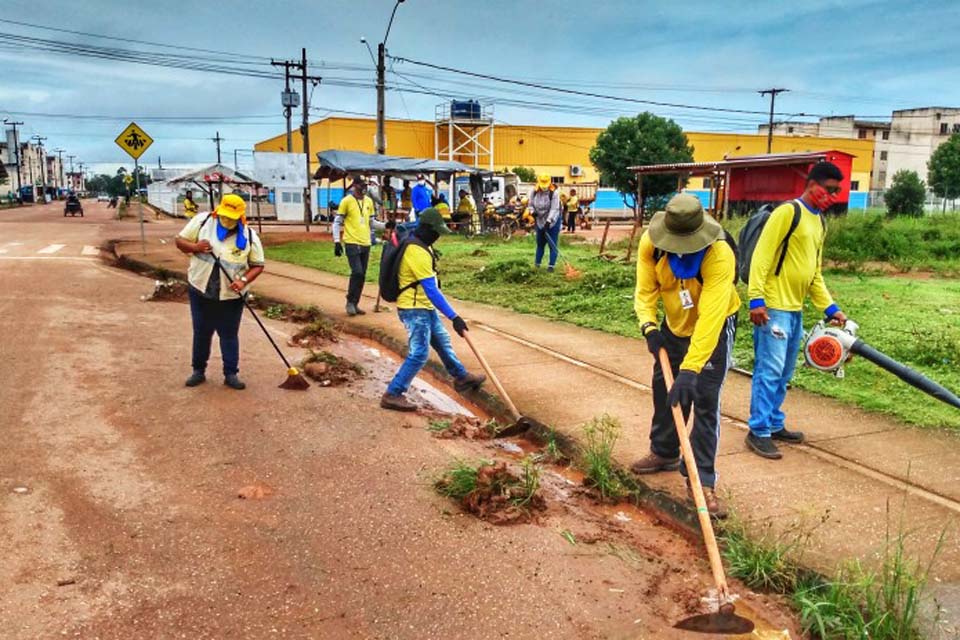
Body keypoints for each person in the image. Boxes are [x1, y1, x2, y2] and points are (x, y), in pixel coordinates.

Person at [630, 194, 740, 517]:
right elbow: (645, 291)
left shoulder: (719, 254)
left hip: (714, 327)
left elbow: (710, 317)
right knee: (664, 388)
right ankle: (663, 451)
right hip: (672, 324)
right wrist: (649, 327)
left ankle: (701, 479)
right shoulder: (652, 244)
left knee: (704, 399)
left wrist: (691, 369)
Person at [746, 162, 849, 460]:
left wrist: (831, 307)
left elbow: (814, 273)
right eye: (828, 189)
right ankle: (758, 431)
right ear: (812, 184)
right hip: (773, 308)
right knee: (770, 370)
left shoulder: (820, 223)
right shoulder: (787, 213)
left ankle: (774, 423)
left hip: (795, 309)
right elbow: (762, 257)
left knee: (786, 371)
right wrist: (756, 299)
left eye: (837, 191)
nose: (831, 196)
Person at [381, 208, 486, 411]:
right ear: (426, 228)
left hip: (424, 307)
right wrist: (454, 317)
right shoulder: (416, 251)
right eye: (436, 231)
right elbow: (431, 290)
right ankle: (393, 393)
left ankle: (461, 377)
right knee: (419, 353)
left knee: (442, 342)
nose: (438, 236)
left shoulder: (423, 243)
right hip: (413, 309)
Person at [174, 193, 265, 390]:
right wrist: (195, 247)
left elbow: (257, 265)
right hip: (200, 289)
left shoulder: (249, 236)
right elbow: (179, 241)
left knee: (229, 334)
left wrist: (242, 281)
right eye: (224, 216)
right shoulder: (203, 222)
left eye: (232, 218)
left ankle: (231, 374)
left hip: (231, 296)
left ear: (240, 217)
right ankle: (198, 370)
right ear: (218, 211)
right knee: (201, 332)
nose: (227, 221)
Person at [333, 178, 385, 316]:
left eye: (365, 186)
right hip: (351, 242)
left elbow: (372, 222)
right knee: (357, 272)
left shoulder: (368, 201)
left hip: (365, 242)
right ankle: (350, 301)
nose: (364, 188)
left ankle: (355, 303)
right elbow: (337, 222)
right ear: (355, 186)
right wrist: (337, 241)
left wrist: (386, 226)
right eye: (361, 186)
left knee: (362, 275)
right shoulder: (346, 201)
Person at [529, 175, 562, 271]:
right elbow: (530, 205)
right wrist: (532, 212)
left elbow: (555, 209)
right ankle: (537, 264)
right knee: (540, 243)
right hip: (539, 220)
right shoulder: (534, 192)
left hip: (553, 221)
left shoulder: (554, 193)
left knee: (552, 243)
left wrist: (548, 222)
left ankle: (551, 266)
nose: (544, 187)